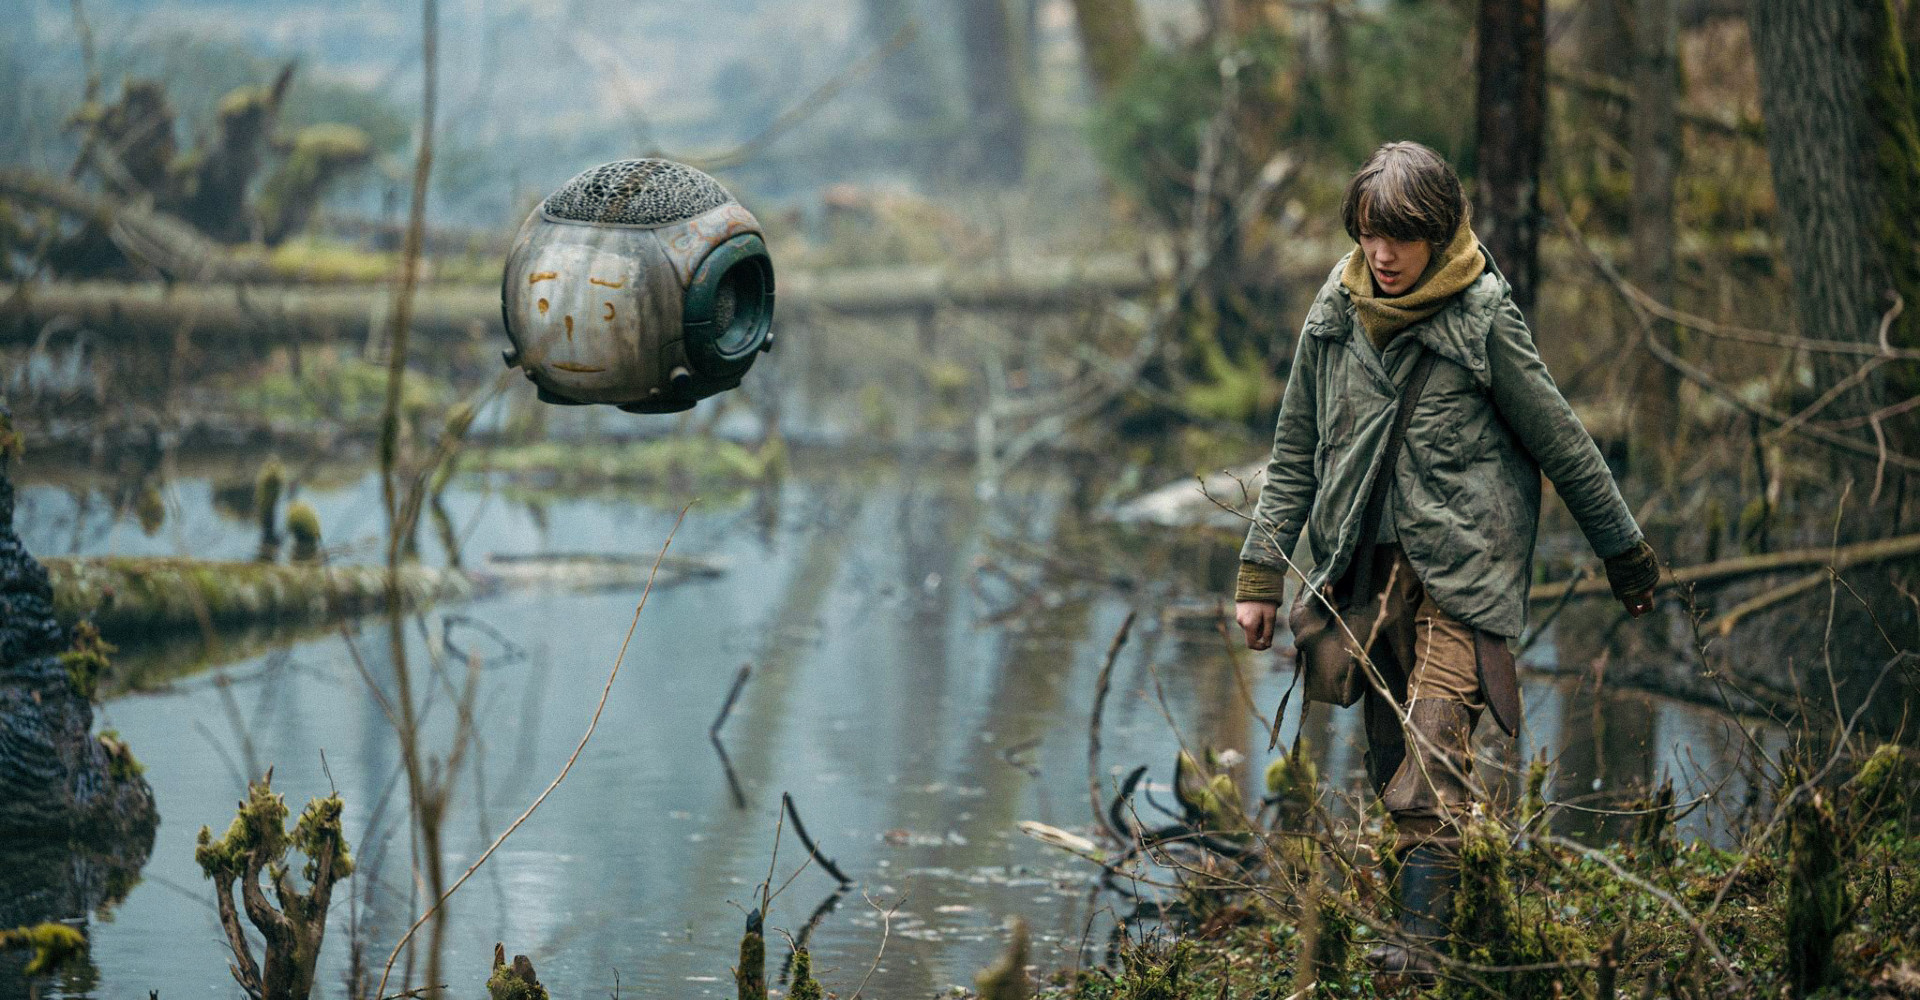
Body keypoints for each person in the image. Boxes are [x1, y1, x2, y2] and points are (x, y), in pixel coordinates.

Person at [1231, 142, 1660, 980]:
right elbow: (1293, 454)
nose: (1381, 255)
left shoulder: (1484, 315)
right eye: (1367, 234)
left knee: (1432, 758)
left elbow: (1561, 441)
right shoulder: (1335, 307)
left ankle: (1421, 956)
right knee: (1394, 763)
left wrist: (1628, 557)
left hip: (1463, 574)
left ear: (1439, 231)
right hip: (1363, 575)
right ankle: (1439, 929)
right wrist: (1259, 579)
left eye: (1398, 238)